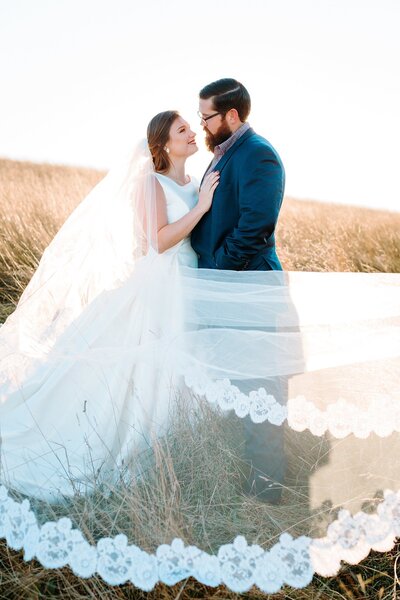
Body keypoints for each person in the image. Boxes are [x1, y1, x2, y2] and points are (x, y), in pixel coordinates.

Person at [0, 107, 399, 596]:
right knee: (143, 371)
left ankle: (171, 443)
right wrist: (202, 208)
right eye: (182, 130)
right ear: (163, 145)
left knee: (176, 375)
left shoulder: (200, 177)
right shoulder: (153, 183)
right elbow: (159, 241)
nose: (193, 132)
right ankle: (120, 448)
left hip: (190, 289)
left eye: (193, 126)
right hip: (160, 288)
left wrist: (209, 205)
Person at [191, 78, 287, 502]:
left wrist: (218, 275)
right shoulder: (224, 156)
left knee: (261, 385)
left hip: (250, 290)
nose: (202, 124)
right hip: (229, 288)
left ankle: (267, 487)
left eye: (206, 116)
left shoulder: (258, 154)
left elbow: (255, 228)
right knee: (238, 383)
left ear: (231, 115)